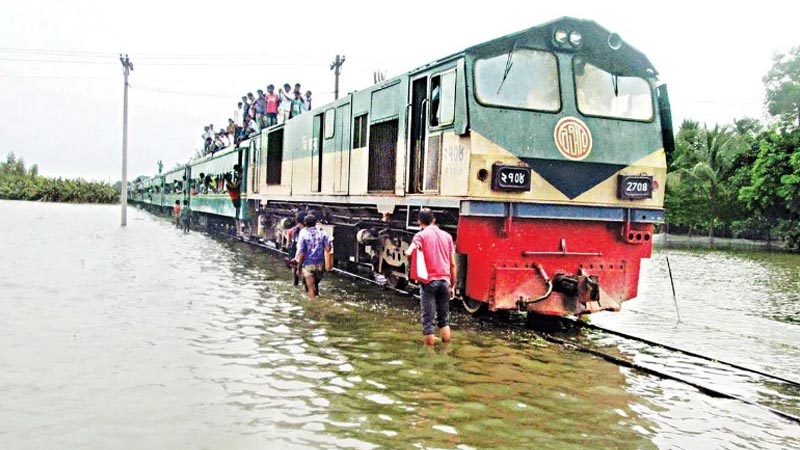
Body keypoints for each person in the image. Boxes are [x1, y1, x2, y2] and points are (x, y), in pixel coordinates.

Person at [404, 208, 456, 346]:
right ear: (434, 220)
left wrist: (412, 268)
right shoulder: (447, 236)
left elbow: (409, 252)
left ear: (419, 222)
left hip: (428, 282)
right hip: (445, 281)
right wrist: (453, 285)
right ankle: (445, 351)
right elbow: (453, 264)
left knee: (428, 323)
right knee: (444, 320)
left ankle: (430, 356)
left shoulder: (420, 236)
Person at [294, 214, 332, 299]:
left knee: (311, 290)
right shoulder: (323, 233)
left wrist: (298, 268)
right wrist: (330, 241)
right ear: (315, 223)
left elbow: (301, 252)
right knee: (315, 287)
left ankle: (313, 308)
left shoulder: (303, 233)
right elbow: (328, 249)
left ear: (304, 223)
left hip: (308, 265)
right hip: (320, 265)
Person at [224, 167, 242, 234]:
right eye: (230, 176)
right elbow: (234, 188)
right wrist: (239, 182)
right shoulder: (228, 184)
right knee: (237, 214)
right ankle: (238, 229)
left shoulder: (230, 182)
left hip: (236, 198)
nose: (231, 177)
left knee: (237, 214)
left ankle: (238, 229)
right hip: (235, 199)